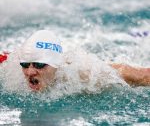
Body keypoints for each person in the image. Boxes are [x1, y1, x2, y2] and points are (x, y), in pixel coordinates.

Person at [1, 30, 150, 91]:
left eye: (39, 65)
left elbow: (140, 75)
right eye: (25, 65)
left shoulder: (84, 74)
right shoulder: (11, 68)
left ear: (55, 64)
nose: (29, 72)